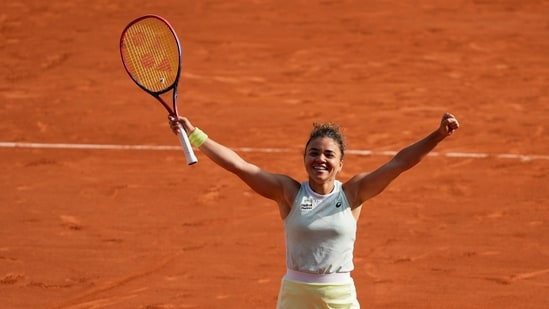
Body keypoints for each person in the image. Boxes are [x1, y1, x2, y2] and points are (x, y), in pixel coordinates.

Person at [169, 112, 460, 309]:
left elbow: (399, 163)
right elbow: (239, 165)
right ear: (305, 158)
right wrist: (193, 134)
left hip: (340, 297)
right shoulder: (288, 192)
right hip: (296, 296)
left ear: (340, 163)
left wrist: (437, 135)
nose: (320, 159)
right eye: (314, 152)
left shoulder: (353, 193)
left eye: (329, 154)